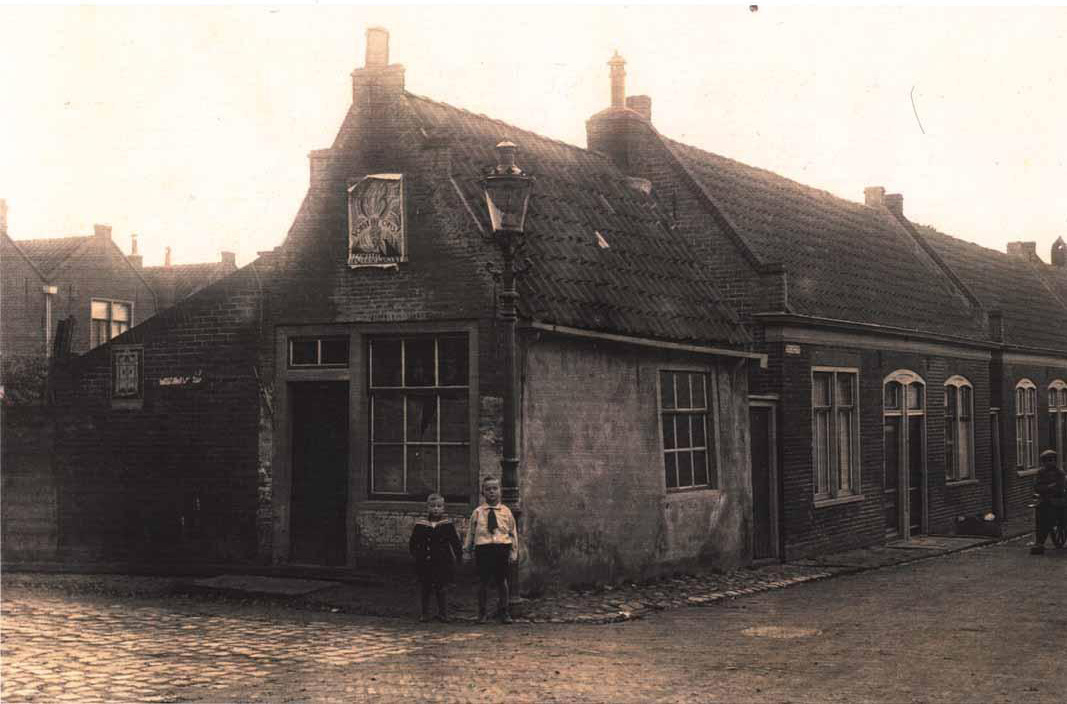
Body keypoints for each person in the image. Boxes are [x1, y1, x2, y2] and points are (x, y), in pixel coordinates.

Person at [464, 476, 519, 624]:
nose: (492, 492)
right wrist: (467, 550)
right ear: (483, 492)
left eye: (495, 488)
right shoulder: (478, 512)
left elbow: (512, 533)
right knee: (482, 582)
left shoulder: (506, 512)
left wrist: (513, 552)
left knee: (502, 581)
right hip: (483, 549)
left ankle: (504, 612)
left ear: (500, 491)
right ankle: (482, 613)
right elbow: (471, 532)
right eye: (488, 489)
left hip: (501, 548)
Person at [409, 493, 463, 622]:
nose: (436, 509)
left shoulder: (447, 525)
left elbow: (455, 542)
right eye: (432, 506)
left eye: (439, 506)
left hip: (442, 562)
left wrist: (459, 556)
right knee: (426, 587)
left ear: (443, 508)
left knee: (441, 587)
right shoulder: (421, 525)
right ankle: (425, 613)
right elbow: (413, 542)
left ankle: (443, 613)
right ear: (427, 507)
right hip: (425, 562)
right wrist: (417, 555)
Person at [1030, 449, 1066, 555]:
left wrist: (1046, 488)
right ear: (1044, 462)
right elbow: (1037, 487)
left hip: (1058, 500)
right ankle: (1040, 542)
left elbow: (1060, 487)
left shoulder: (1060, 473)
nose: (1050, 462)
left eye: (1052, 460)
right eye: (1047, 460)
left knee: (1058, 516)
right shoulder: (1041, 473)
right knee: (1040, 518)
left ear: (1055, 461)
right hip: (1045, 500)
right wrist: (1049, 487)